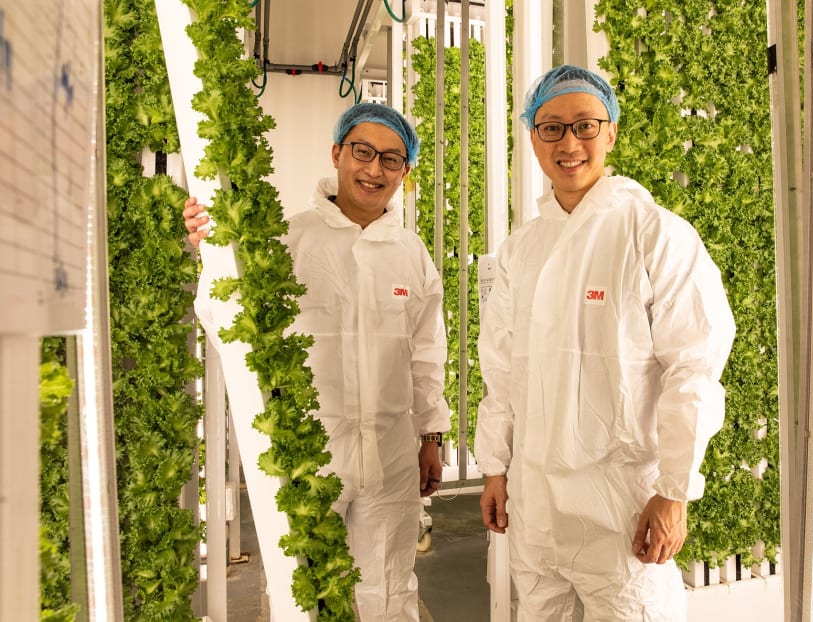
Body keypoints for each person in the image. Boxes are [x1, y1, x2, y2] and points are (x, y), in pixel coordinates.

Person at [474, 65, 736, 620]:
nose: (569, 143)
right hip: (536, 506)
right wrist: (496, 466)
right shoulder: (522, 249)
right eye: (551, 128)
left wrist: (674, 492)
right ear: (532, 139)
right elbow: (501, 370)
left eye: (585, 125)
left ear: (611, 132)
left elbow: (694, 365)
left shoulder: (654, 234)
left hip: (621, 509)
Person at [183, 103, 450, 621]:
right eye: (363, 152)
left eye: (391, 160)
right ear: (337, 153)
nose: (374, 170)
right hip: (309, 452)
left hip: (392, 454)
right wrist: (210, 250)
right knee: (301, 592)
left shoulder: (411, 254)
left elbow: (426, 354)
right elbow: (229, 321)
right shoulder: (288, 237)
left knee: (389, 590)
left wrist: (431, 437)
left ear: (405, 173)